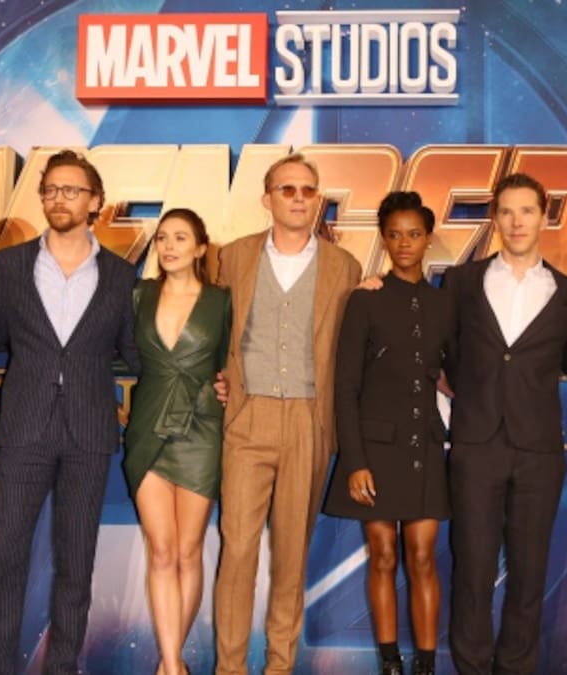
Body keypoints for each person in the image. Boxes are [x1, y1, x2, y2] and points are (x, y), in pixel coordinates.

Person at [0, 149, 140, 675]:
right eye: (50, 190)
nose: (58, 199)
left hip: (90, 433)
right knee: (4, 557)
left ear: (96, 202)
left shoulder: (121, 276)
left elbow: (138, 353)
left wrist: (208, 372)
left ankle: (63, 666)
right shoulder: (9, 266)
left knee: (76, 564)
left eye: (71, 190)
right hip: (23, 429)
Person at [212, 153, 362, 674]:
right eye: (287, 189)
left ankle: (280, 666)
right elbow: (211, 326)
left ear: (318, 199)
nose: (299, 198)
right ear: (267, 198)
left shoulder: (345, 267)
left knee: (291, 554)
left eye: (307, 190)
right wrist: (217, 377)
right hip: (247, 417)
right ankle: (229, 668)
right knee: (237, 550)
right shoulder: (233, 257)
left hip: (308, 420)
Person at [442, 172, 567, 674]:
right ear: (495, 218)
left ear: (544, 217)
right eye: (506, 211)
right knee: (472, 570)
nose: (516, 221)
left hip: (538, 453)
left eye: (527, 210)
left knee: (529, 575)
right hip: (476, 446)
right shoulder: (461, 283)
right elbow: (446, 354)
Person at [322, 191, 453, 675]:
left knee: (422, 557)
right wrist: (354, 461)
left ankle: (425, 664)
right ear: (383, 238)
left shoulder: (445, 304)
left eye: (414, 234)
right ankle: (390, 663)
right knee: (381, 555)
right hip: (374, 451)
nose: (404, 243)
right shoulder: (366, 299)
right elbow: (346, 386)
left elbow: (457, 370)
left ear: (428, 238)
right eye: (394, 234)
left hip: (424, 447)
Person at [123, 208, 231, 675]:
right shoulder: (138, 295)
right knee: (162, 550)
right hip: (148, 425)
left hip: (201, 429)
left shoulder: (222, 300)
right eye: (163, 237)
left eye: (180, 238)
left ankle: (169, 665)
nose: (168, 246)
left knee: (188, 552)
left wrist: (228, 384)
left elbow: (234, 360)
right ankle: (172, 665)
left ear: (201, 247)